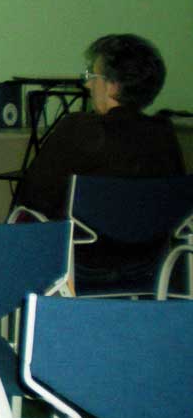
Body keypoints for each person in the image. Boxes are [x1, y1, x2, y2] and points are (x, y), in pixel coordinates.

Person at [16, 33, 186, 286]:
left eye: (92, 76)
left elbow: (34, 198)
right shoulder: (164, 134)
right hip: (152, 268)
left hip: (81, 267)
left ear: (112, 85)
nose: (87, 85)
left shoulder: (79, 129)